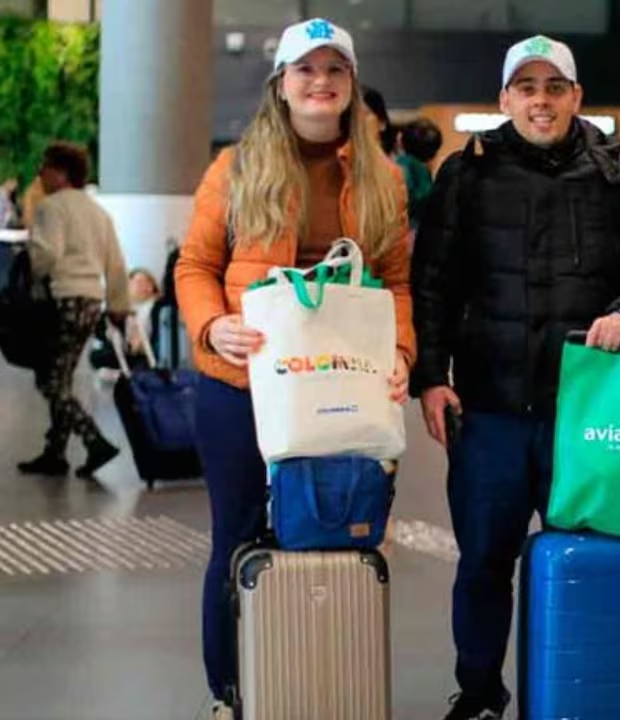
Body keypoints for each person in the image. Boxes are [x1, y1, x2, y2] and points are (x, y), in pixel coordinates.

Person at [411, 33, 620, 720]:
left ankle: (573, 693)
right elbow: (431, 285)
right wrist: (431, 376)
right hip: (488, 410)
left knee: (583, 558)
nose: (541, 101)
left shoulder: (616, 181)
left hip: (583, 414)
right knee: (483, 562)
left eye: (555, 87)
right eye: (526, 88)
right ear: (505, 99)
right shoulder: (465, 177)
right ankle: (479, 693)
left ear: (576, 96)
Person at [173, 18, 415, 719]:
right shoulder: (236, 168)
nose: (320, 82)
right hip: (240, 387)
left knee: (329, 535)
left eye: (334, 69)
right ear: (281, 84)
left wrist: (401, 353)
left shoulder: (381, 177)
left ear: (351, 84)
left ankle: (309, 684)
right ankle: (230, 693)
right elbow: (195, 265)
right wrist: (210, 324)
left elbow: (397, 282)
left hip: (339, 387)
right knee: (237, 536)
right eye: (305, 70)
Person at [17, 142, 130, 478]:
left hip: (63, 299)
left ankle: (95, 441)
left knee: (51, 383)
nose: (40, 173)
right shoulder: (98, 212)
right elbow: (115, 262)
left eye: (46, 166)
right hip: (91, 300)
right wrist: (119, 305)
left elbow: (46, 255)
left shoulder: (51, 207)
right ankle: (55, 452)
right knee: (62, 376)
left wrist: (30, 269)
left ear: (62, 173)